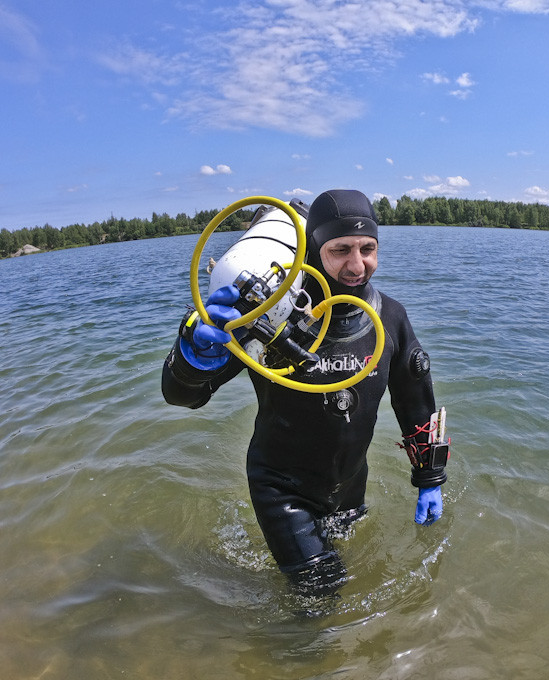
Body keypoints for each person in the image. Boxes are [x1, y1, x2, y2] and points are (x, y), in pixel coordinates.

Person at [162, 189, 448, 597]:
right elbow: (183, 397)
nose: (356, 264)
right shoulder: (273, 314)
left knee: (349, 566)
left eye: (368, 248)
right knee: (322, 595)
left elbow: (415, 399)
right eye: (341, 249)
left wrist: (430, 478)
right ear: (314, 248)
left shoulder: (391, 317)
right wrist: (192, 358)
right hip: (282, 486)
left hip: (350, 485)